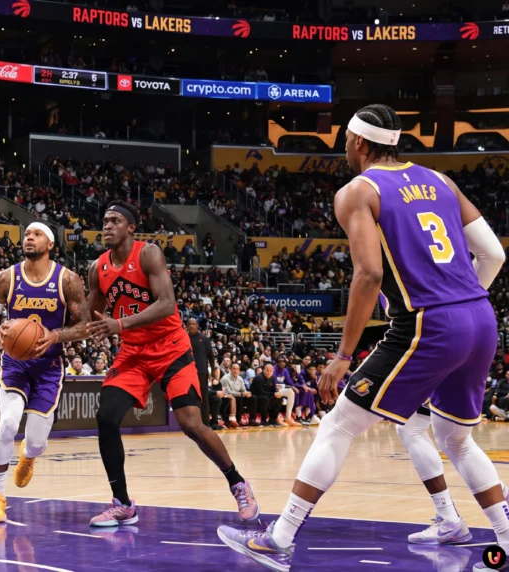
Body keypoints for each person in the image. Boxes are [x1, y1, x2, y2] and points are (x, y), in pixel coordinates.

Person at [218, 104, 509, 572]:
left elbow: (369, 274)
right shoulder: (442, 181)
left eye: (344, 142)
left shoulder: (358, 190)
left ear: (357, 142)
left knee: (338, 426)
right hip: (480, 317)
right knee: (456, 439)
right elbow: (493, 253)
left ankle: (279, 538)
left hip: (428, 324)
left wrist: (343, 354)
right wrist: (463, 302)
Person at [83, 201, 258, 526]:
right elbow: (88, 319)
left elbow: (166, 304)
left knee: (191, 424)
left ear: (130, 228)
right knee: (106, 417)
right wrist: (49, 335)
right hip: (134, 353)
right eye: (105, 220)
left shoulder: (148, 254)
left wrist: (119, 324)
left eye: (115, 220)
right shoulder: (98, 268)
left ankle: (237, 483)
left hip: (170, 347)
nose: (107, 225)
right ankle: (122, 503)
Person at [0, 222, 88, 523]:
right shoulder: (7, 277)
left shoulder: (67, 280)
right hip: (15, 363)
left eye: (37, 234)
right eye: (27, 234)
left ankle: (29, 455)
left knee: (37, 441)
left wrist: (55, 336)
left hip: (48, 367)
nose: (29, 238)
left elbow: (84, 326)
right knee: (8, 423)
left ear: (50, 244)